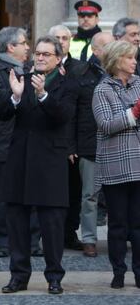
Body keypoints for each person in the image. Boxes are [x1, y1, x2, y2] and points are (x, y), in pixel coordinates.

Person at [0, 36, 76, 294]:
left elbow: (63, 116)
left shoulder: (66, 84)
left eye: (46, 54)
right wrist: (15, 97)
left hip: (50, 164)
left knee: (52, 225)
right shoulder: (21, 79)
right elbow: (1, 113)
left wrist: (43, 95)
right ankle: (18, 276)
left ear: (57, 58)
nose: (40, 57)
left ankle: (54, 276)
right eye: (38, 53)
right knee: (17, 223)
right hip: (20, 161)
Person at [0, 27, 42, 258]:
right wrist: (17, 93)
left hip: (31, 142)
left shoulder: (31, 69)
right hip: (3, 143)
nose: (28, 47)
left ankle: (33, 241)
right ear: (10, 47)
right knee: (6, 196)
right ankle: (5, 242)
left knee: (34, 193)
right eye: (24, 42)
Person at [92, 40, 140, 289]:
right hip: (115, 166)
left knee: (138, 224)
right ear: (117, 60)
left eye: (135, 57)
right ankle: (118, 271)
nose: (134, 61)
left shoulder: (139, 84)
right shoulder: (103, 90)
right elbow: (106, 124)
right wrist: (133, 113)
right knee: (118, 224)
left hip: (138, 163)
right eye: (130, 57)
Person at [66, 32, 114, 258]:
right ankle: (89, 239)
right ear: (96, 50)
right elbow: (73, 113)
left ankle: (119, 236)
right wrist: (71, 145)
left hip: (117, 144)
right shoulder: (81, 73)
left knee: (118, 195)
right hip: (89, 144)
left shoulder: (122, 73)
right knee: (90, 195)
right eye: (108, 45)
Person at [49, 24, 85, 251]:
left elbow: (80, 111)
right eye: (57, 38)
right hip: (48, 140)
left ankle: (69, 233)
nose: (61, 41)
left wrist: (73, 144)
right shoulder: (39, 68)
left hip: (73, 143)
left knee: (74, 191)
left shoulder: (81, 69)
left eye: (65, 37)